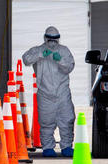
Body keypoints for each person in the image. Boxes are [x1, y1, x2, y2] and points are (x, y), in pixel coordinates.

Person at [22, 26, 75, 157]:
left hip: (62, 92)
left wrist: (60, 60)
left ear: (59, 38)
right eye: (50, 39)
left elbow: (69, 67)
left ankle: (67, 146)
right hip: (44, 93)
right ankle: (48, 148)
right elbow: (26, 60)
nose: (52, 42)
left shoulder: (64, 51)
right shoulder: (37, 50)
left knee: (67, 120)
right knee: (46, 122)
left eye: (55, 39)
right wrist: (40, 55)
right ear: (45, 38)